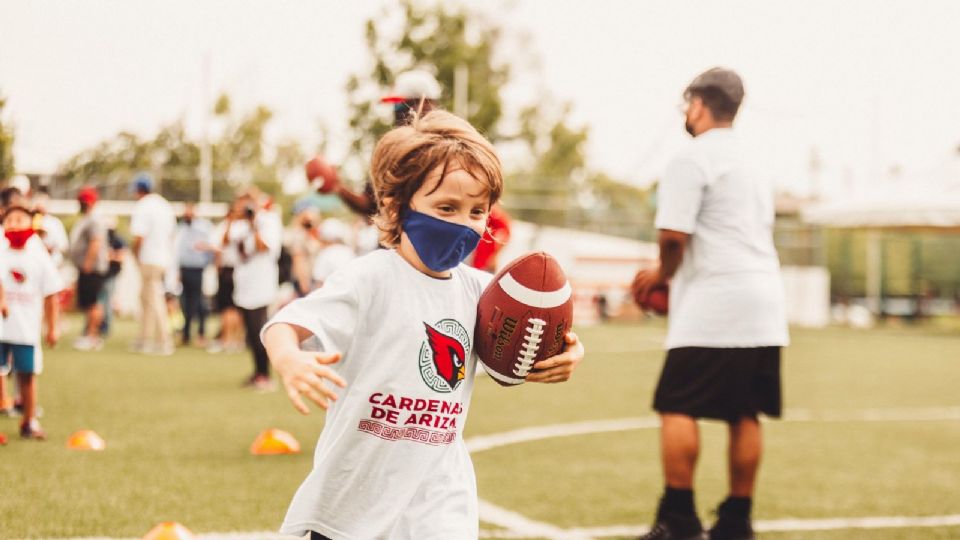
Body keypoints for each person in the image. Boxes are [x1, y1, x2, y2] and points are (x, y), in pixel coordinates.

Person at [261, 110, 585, 539]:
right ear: (397, 205)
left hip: (437, 499)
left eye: (476, 211)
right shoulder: (370, 278)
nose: (462, 224)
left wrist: (568, 354)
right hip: (353, 498)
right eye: (446, 207)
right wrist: (289, 359)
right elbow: (286, 323)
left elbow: (530, 341)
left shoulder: (483, 293)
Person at [631, 68, 789, 540]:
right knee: (746, 412)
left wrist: (657, 277)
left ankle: (679, 518)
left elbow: (674, 238)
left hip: (714, 299)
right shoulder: (756, 162)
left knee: (677, 404)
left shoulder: (691, 158)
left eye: (688, 103)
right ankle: (737, 520)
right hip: (764, 299)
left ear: (699, 104)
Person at [324, 69, 443, 218]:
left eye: (400, 104)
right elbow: (370, 205)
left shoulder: (452, 146)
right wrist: (339, 188)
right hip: (398, 239)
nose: (396, 111)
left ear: (425, 103)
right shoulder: (392, 149)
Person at [0, 204, 63, 439]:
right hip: (1, 328)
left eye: (19, 219)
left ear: (30, 224)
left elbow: (51, 294)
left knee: (27, 375)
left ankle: (29, 421)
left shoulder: (38, 255)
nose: (14, 224)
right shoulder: (1, 250)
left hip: (25, 329)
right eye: (10, 220)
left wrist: (53, 328)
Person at [230, 189, 282, 389]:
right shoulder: (238, 224)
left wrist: (254, 225)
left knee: (259, 330)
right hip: (243, 284)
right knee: (250, 334)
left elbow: (265, 247)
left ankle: (265, 375)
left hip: (261, 285)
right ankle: (257, 372)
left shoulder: (269, 221)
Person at [129, 173, 177, 355]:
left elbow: (139, 236)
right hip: (163, 258)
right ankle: (144, 338)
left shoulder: (143, 206)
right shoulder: (164, 205)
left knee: (154, 299)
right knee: (146, 298)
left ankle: (164, 341)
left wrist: (135, 255)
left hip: (149, 258)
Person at [68, 186, 109, 351]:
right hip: (87, 268)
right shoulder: (87, 218)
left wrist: (88, 263)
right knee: (89, 302)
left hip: (92, 269)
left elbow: (95, 242)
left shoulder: (94, 219)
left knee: (93, 303)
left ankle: (93, 336)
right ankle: (88, 333)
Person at [175, 203, 214, 346]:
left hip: (197, 268)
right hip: (184, 268)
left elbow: (210, 247)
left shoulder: (203, 227)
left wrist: (206, 263)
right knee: (185, 303)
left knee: (198, 302)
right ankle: (186, 334)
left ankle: (201, 333)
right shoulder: (181, 227)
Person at [283, 203, 323, 296]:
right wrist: (304, 282)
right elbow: (298, 259)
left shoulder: (309, 233)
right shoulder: (298, 235)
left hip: (311, 278)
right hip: (305, 279)